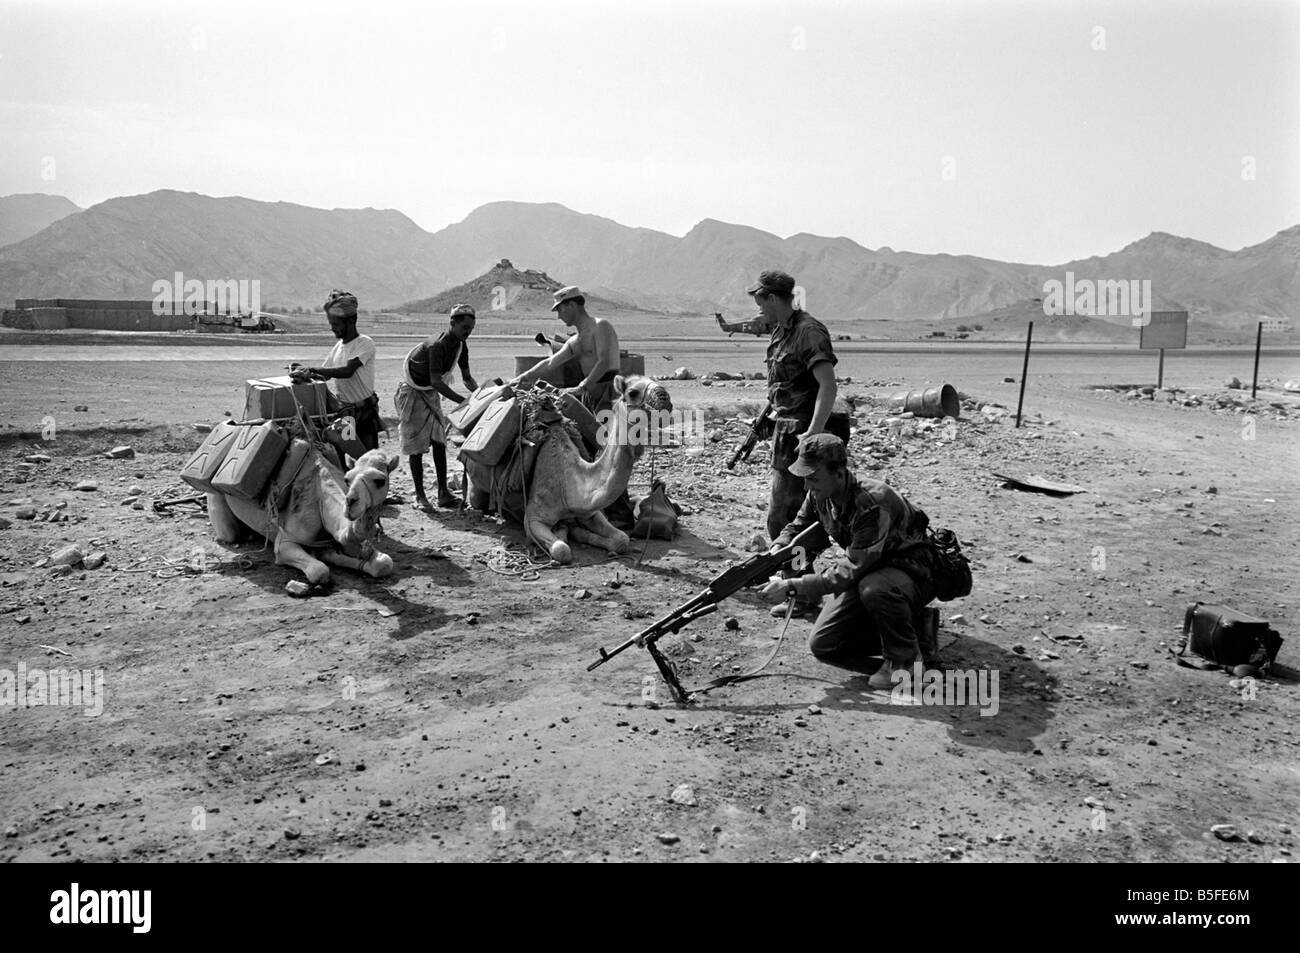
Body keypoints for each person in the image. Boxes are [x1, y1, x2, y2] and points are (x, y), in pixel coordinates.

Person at [758, 434, 937, 690]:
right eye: (805, 478)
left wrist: (793, 586)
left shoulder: (872, 503)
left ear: (839, 473)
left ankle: (904, 662)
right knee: (824, 644)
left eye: (814, 478)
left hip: (912, 571)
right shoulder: (821, 495)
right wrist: (779, 550)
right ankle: (918, 629)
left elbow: (852, 568)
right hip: (870, 570)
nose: (808, 486)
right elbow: (800, 528)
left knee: (875, 588)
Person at [746, 269, 844, 618]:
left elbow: (827, 386)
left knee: (787, 516)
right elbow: (783, 389)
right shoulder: (781, 332)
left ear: (773, 298)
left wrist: (812, 436)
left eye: (762, 304)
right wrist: (763, 423)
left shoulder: (808, 332)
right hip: (787, 430)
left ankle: (800, 593)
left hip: (805, 435)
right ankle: (798, 585)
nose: (760, 312)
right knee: (790, 515)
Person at [396, 303, 479, 511]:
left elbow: (467, 379)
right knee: (416, 446)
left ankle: (443, 493)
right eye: (464, 328)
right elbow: (436, 381)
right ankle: (420, 496)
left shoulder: (461, 345)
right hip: (414, 394)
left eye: (471, 328)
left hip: (430, 394)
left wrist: (480, 396)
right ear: (452, 323)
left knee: (439, 441)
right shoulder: (438, 345)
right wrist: (463, 402)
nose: (468, 332)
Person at [510, 286, 620, 420]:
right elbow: (550, 363)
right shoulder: (574, 341)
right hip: (589, 393)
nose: (559, 316)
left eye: (560, 310)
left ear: (572, 305)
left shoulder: (600, 326)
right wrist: (520, 379)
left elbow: (604, 362)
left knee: (609, 435)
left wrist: (581, 388)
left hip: (609, 392)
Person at [290, 290, 380, 452]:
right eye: (332, 325)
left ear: (351, 321)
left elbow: (348, 371)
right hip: (346, 414)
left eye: (336, 325)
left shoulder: (364, 343)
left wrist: (312, 369)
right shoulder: (338, 347)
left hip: (364, 412)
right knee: (350, 456)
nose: (333, 329)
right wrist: (303, 372)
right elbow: (325, 374)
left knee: (370, 458)